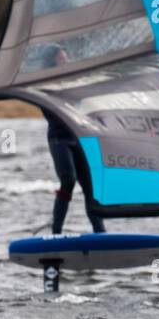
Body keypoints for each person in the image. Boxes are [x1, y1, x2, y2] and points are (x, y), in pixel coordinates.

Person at [39, 43, 105, 236]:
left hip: (78, 138)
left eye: (66, 57)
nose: (65, 61)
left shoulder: (74, 82)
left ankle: (100, 232)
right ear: (52, 62)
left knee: (90, 185)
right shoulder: (45, 85)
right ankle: (56, 233)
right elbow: (51, 112)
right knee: (68, 179)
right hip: (59, 139)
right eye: (61, 58)